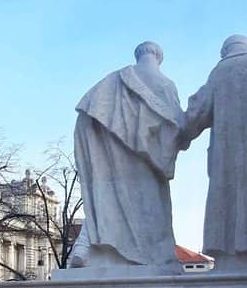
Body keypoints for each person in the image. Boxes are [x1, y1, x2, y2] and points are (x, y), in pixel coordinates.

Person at [70, 41, 184, 269]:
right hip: (141, 153)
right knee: (147, 202)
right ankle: (151, 256)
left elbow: (87, 114)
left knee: (105, 194)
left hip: (99, 136)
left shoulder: (111, 79)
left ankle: (86, 245)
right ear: (158, 57)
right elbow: (177, 125)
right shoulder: (164, 83)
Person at [182, 35, 247, 264]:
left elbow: (198, 112)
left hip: (225, 154)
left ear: (225, 50)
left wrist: (177, 133)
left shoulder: (219, 71)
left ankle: (229, 254)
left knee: (226, 199)